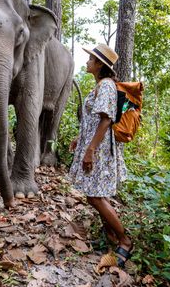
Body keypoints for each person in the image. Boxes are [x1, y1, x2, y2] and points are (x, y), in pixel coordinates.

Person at [69, 43, 133, 268]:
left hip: (100, 150)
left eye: (90, 59)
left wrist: (90, 150)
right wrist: (80, 140)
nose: (87, 62)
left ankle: (125, 240)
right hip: (95, 146)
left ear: (99, 64)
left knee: (95, 196)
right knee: (97, 195)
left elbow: (106, 119)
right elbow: (93, 119)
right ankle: (112, 239)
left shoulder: (106, 85)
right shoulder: (100, 85)